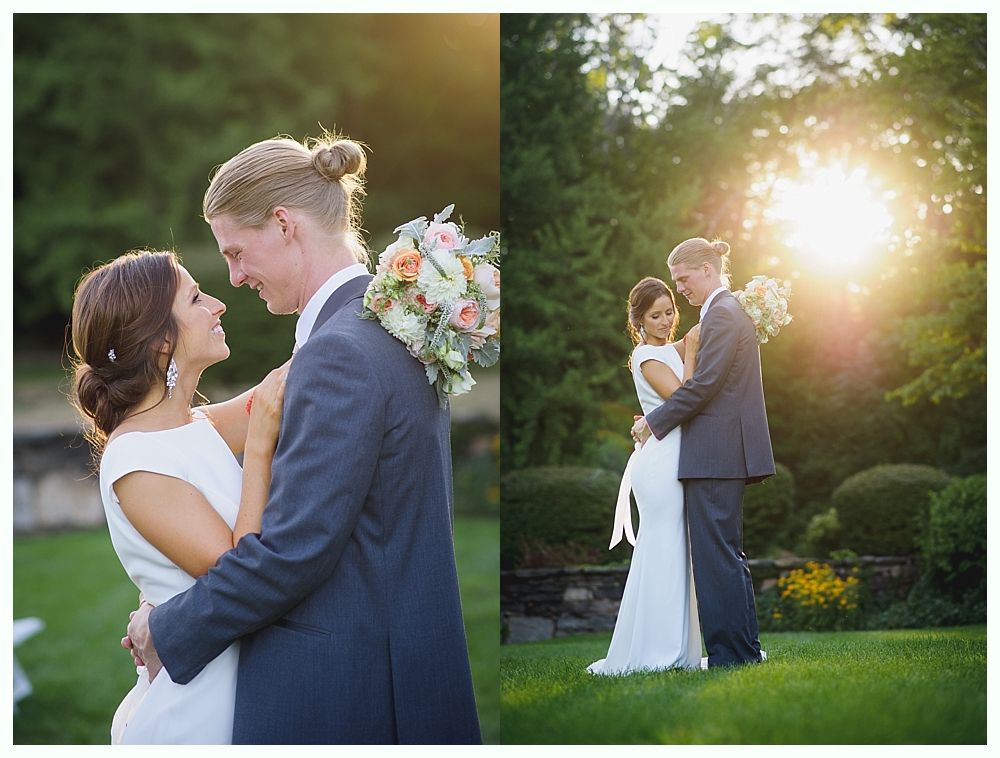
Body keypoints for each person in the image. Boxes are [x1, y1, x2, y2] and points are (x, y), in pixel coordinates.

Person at [124, 134, 481, 744]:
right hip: (396, 661)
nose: (234, 278)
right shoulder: (390, 324)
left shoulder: (339, 351)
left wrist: (169, 630)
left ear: (284, 224)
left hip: (341, 687)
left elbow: (293, 551)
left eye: (236, 252)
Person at [70, 250, 290, 743]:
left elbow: (287, 384)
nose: (218, 305)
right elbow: (242, 576)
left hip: (248, 682)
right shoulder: (135, 462)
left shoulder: (197, 426)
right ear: (162, 341)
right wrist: (257, 449)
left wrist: (402, 296)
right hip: (201, 711)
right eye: (196, 298)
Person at [632, 238, 775, 668]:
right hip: (719, 451)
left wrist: (651, 423)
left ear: (708, 270)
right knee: (725, 556)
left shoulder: (723, 314)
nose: (681, 289)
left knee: (718, 560)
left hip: (716, 451)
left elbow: (703, 386)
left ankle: (733, 655)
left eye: (684, 279)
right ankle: (742, 651)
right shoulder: (722, 313)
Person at [588, 277, 702, 675]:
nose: (665, 321)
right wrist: (693, 350)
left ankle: (677, 649)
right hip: (661, 464)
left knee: (675, 550)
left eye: (669, 312)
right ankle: (658, 651)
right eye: (655, 315)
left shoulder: (666, 348)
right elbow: (684, 397)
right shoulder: (645, 357)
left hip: (675, 456)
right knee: (663, 549)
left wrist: (687, 345)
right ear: (638, 319)